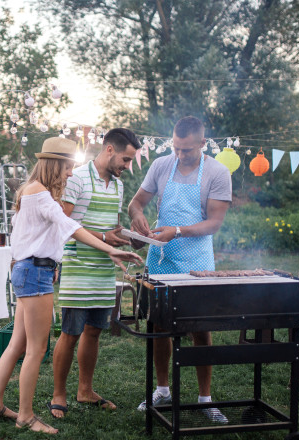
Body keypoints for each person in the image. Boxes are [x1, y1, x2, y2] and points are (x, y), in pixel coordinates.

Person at [0, 137, 144, 434]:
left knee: (18, 344)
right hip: (35, 273)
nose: (71, 173)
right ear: (55, 164)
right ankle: (26, 416)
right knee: (35, 349)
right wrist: (110, 248)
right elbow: (71, 227)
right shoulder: (41, 195)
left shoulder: (30, 192)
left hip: (27, 269)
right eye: (68, 167)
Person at [127, 116, 232, 423]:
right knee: (159, 327)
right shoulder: (161, 165)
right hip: (159, 261)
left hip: (197, 263)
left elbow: (214, 223)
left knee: (201, 331)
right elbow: (137, 202)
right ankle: (162, 390)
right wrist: (137, 218)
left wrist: (177, 230)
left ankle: (205, 398)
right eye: (176, 148)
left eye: (187, 150)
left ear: (202, 143)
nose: (180, 155)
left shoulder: (218, 172)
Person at [47, 128, 142, 419]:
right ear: (109, 149)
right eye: (125, 159)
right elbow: (63, 225)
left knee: (94, 332)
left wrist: (122, 243)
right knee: (70, 333)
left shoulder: (117, 186)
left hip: (102, 269)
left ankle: (85, 390)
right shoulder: (75, 178)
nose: (127, 166)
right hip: (77, 268)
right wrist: (103, 236)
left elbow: (110, 229)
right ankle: (58, 394)